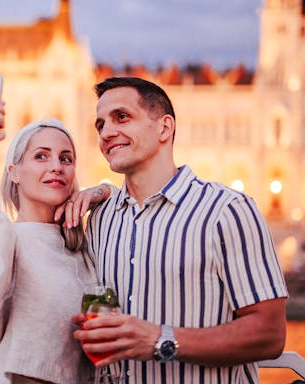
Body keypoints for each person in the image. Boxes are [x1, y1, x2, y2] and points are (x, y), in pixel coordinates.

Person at [67, 77, 289, 383]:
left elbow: (270, 334)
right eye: (100, 125)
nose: (106, 133)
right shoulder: (100, 218)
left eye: (122, 117)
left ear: (164, 128)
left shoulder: (227, 210)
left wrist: (160, 339)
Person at [0, 99, 107, 384]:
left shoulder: (84, 241)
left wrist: (100, 192)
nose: (56, 166)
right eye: (41, 156)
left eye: (66, 159)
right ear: (14, 172)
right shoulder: (11, 239)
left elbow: (129, 205)